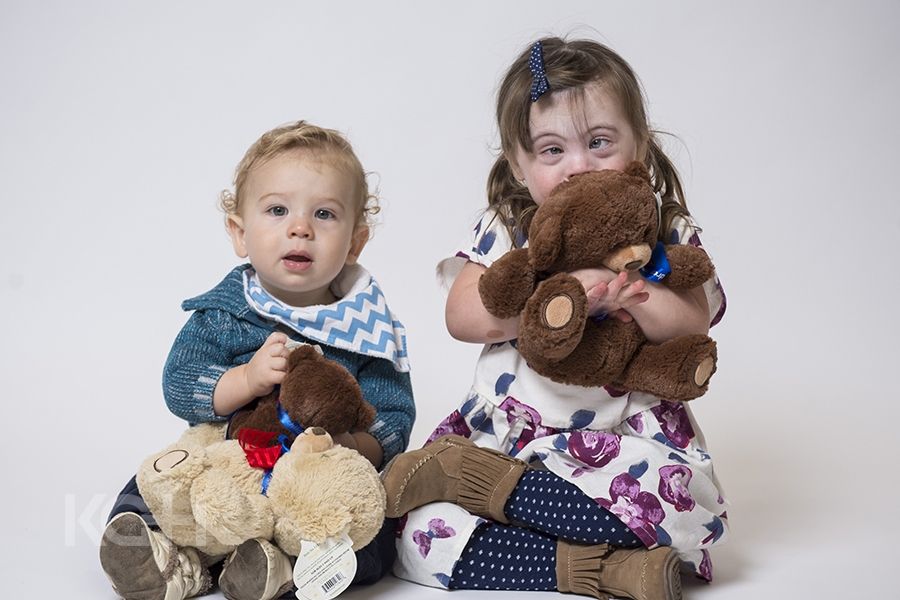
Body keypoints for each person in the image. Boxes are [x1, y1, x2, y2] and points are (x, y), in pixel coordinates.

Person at [381, 37, 727, 600]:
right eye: (551, 150)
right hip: (513, 435)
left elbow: (692, 324)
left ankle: (567, 546)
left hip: (626, 441)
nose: (579, 166)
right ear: (518, 165)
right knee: (417, 536)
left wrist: (632, 294)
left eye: (599, 142)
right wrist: (555, 303)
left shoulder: (662, 230)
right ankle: (574, 547)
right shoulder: (509, 228)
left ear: (640, 142)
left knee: (679, 519)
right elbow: (463, 316)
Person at [99, 121, 416, 600]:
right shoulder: (228, 312)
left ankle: (274, 569)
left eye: (325, 213)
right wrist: (244, 380)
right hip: (228, 454)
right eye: (277, 210)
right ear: (240, 233)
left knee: (369, 533)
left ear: (355, 242)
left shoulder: (368, 329)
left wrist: (350, 443)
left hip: (310, 476)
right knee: (161, 481)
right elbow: (179, 382)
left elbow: (395, 415)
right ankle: (161, 558)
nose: (300, 227)